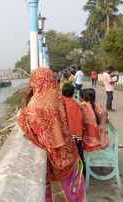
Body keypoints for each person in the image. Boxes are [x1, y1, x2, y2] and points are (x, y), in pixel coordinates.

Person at [18, 68, 85, 201]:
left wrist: (24, 100)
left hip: (56, 162)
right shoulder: (57, 99)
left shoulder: (37, 107)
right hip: (70, 155)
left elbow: (25, 124)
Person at [62, 83, 84, 163]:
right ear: (72, 93)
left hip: (62, 133)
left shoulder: (59, 102)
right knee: (78, 151)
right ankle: (81, 168)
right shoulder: (74, 104)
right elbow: (78, 121)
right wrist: (79, 135)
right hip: (73, 134)